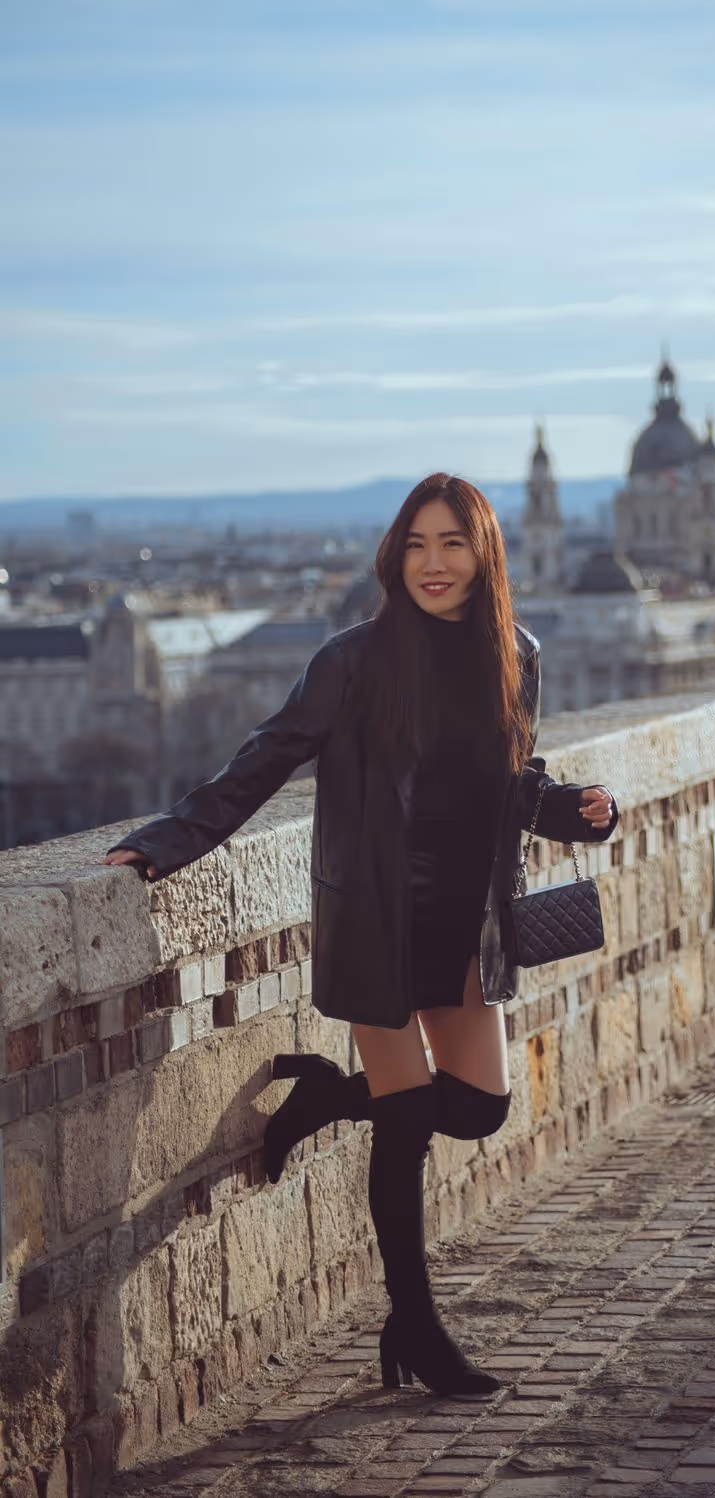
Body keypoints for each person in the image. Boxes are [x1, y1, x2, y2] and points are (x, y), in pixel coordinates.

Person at [102, 473, 618, 1397]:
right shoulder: (351, 659)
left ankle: (326, 1099)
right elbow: (264, 757)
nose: (433, 563)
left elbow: (511, 785)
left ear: (484, 555)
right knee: (411, 1119)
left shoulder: (516, 653)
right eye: (416, 544)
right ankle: (416, 1330)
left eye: (453, 544)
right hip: (378, 916)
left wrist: (581, 813)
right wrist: (163, 842)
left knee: (478, 1109)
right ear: (395, 555)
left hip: (466, 921)